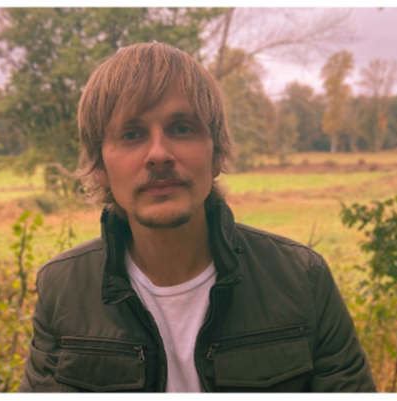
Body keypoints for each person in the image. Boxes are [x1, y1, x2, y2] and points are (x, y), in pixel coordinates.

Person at [18, 42, 375, 393]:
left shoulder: (303, 281)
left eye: (181, 128)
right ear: (100, 168)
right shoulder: (62, 290)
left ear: (216, 154)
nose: (158, 154)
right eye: (131, 134)